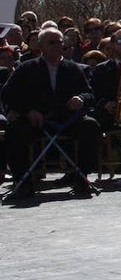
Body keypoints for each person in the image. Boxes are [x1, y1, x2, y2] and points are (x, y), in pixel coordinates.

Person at [1, 27, 100, 199]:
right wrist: (27, 111)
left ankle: (81, 177)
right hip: (36, 120)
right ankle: (23, 182)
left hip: (67, 119)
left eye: (60, 42)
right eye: (51, 42)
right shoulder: (27, 68)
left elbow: (90, 93)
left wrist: (81, 98)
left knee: (91, 126)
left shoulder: (73, 68)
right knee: (14, 131)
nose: (56, 46)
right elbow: (8, 94)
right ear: (40, 46)